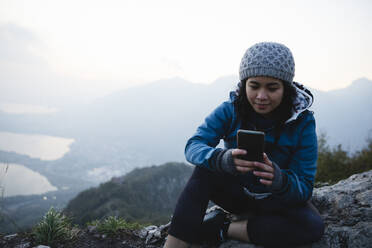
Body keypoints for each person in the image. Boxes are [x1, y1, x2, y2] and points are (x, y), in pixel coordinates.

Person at [164, 42, 325, 247]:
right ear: (244, 84)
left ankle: (221, 228)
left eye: (272, 87)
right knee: (204, 171)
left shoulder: (302, 122)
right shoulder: (230, 110)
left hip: (277, 201)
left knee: (312, 227)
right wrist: (222, 159)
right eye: (254, 85)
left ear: (286, 88)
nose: (261, 96)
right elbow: (194, 145)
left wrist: (280, 180)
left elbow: (304, 186)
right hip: (237, 195)